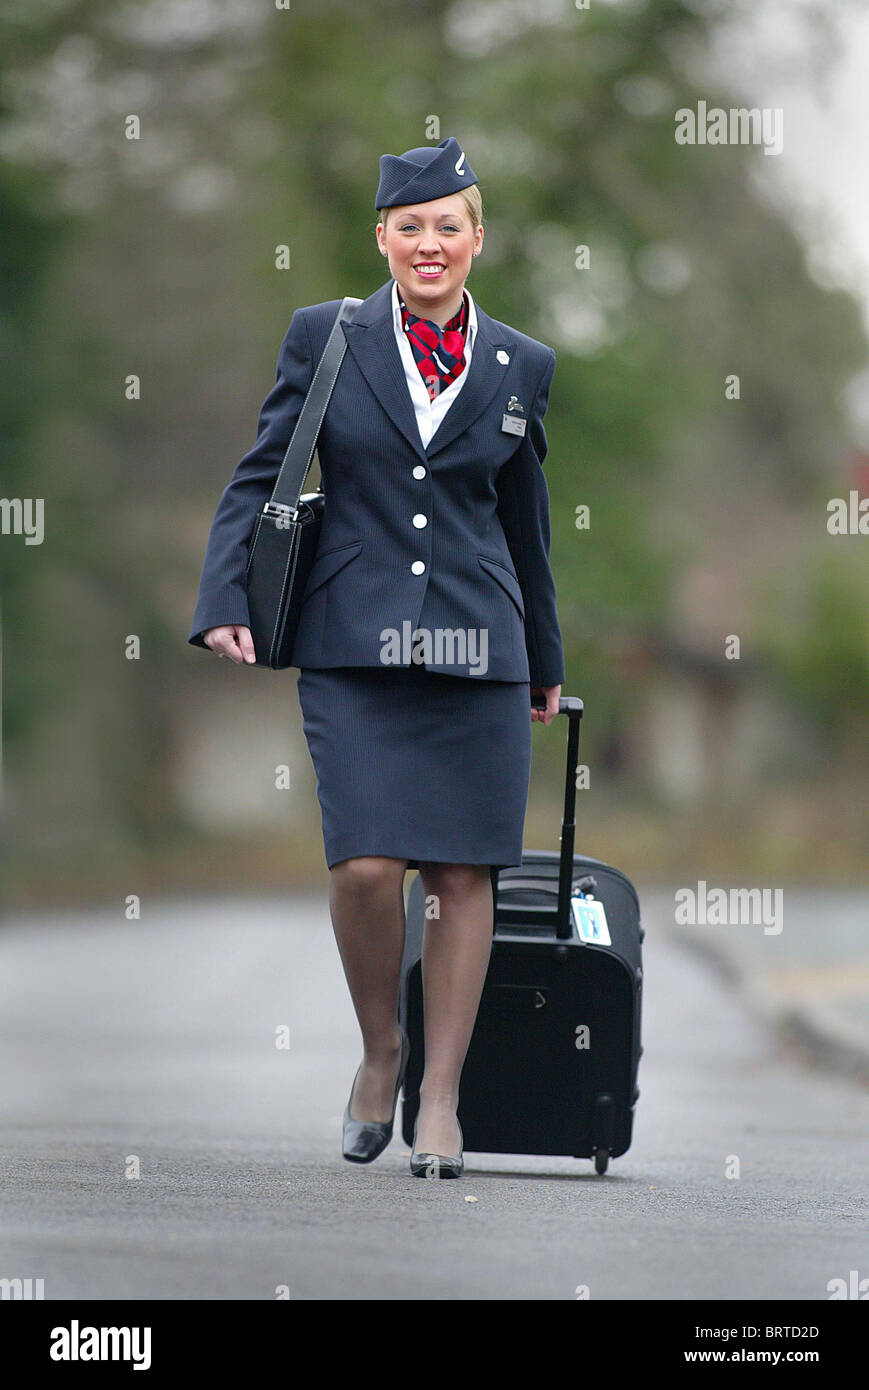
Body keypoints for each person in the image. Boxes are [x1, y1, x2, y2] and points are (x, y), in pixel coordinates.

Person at [189, 137, 565, 1179]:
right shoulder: (328, 336)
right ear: (382, 239)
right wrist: (226, 597)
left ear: (476, 239)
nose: (429, 243)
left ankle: (439, 1096)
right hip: (351, 638)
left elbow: (523, 523)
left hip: (478, 647)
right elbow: (260, 471)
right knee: (365, 868)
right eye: (411, 227)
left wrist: (541, 655)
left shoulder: (521, 363)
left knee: (459, 871)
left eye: (449, 225)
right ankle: (379, 1051)